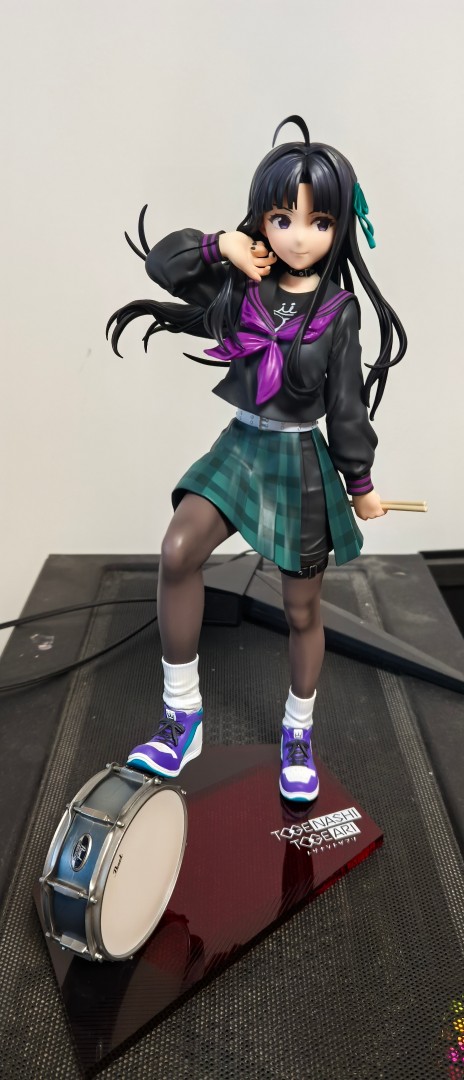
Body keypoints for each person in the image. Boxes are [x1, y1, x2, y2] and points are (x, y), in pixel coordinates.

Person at [107, 115, 406, 805]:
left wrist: (360, 481)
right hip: (240, 445)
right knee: (178, 549)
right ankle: (182, 717)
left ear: (338, 227)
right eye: (282, 218)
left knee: (302, 609)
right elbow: (164, 265)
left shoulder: (339, 311)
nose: (298, 236)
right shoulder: (245, 283)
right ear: (264, 219)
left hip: (298, 457)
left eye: (318, 221)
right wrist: (222, 246)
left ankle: (298, 732)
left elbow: (346, 404)